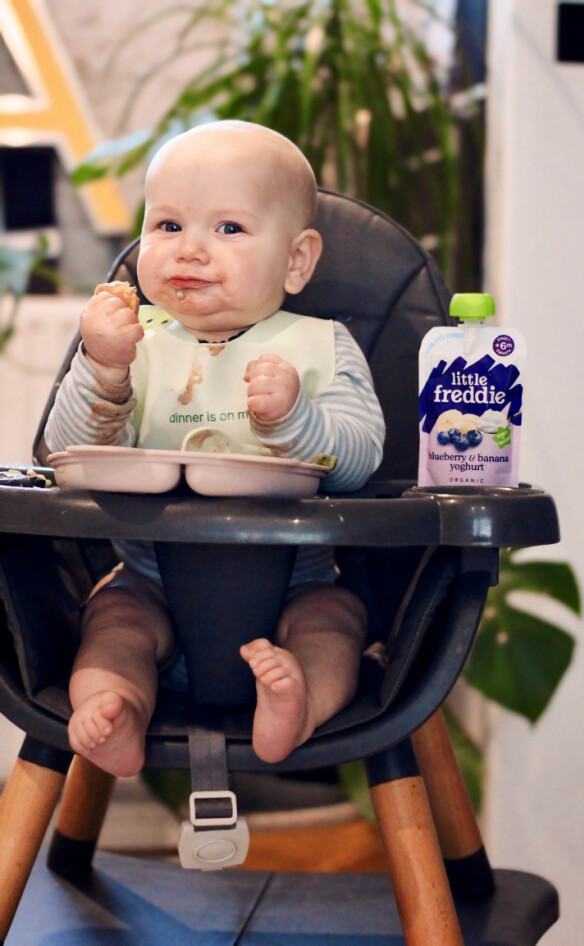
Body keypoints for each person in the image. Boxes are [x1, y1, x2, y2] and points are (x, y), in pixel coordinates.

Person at [45, 120, 385, 777]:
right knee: (111, 625)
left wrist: (295, 418)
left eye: (228, 229)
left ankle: (298, 702)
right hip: (150, 580)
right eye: (168, 226)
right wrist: (104, 371)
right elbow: (69, 458)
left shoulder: (318, 347)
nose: (190, 251)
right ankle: (116, 708)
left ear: (296, 260)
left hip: (295, 582)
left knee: (335, 622)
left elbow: (361, 458)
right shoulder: (129, 343)